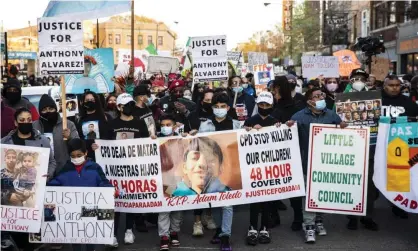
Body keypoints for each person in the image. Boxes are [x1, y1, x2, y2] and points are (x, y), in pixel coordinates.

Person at [289, 87, 346, 244]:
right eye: (316, 96)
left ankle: (319, 220)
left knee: (323, 192)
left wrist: (343, 127)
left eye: (322, 95)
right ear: (309, 101)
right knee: (309, 195)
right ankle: (308, 225)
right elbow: (290, 134)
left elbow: (344, 131)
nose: (320, 97)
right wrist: (289, 126)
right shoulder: (299, 116)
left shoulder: (331, 115)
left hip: (327, 162)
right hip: (308, 161)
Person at [189, 92, 240, 251]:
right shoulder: (205, 126)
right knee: (215, 202)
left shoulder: (237, 125)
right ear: (212, 108)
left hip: (230, 169)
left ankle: (225, 235)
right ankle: (220, 230)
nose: (219, 109)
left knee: (227, 204)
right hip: (212, 170)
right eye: (216, 107)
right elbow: (199, 145)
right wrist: (191, 136)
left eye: (223, 107)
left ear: (228, 108)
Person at [1, 107, 56, 251]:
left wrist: (47, 175)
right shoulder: (5, 142)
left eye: (29, 120)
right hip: (12, 196)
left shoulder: (42, 140)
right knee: (18, 234)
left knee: (34, 235)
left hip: (35, 195)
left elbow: (52, 162)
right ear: (15, 122)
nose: (26, 123)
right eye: (22, 120)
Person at [48, 138, 114, 251]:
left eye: (79, 155)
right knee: (75, 237)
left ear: (86, 153)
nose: (76, 158)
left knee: (90, 236)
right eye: (73, 156)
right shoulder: (66, 169)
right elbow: (55, 184)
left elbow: (103, 182)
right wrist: (44, 186)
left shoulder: (95, 167)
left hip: (91, 208)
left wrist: (110, 191)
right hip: (72, 211)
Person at [107, 93, 152, 246]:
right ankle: (112, 235)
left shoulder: (140, 123)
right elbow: (105, 144)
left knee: (131, 201)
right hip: (116, 170)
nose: (130, 108)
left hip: (134, 169)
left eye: (132, 104)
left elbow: (146, 143)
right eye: (127, 105)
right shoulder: (111, 125)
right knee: (117, 202)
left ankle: (128, 230)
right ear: (119, 107)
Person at [270, 76, 304, 231]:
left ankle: (298, 217)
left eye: (275, 89)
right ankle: (274, 216)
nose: (273, 92)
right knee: (274, 184)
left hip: (291, 152)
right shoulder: (271, 106)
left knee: (293, 185)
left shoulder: (296, 107)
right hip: (274, 153)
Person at [243, 91, 277, 245]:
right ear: (258, 105)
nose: (264, 107)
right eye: (261, 104)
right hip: (254, 166)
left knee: (268, 199)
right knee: (254, 199)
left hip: (270, 166)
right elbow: (241, 137)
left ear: (271, 105)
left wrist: (281, 127)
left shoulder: (276, 120)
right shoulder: (251, 120)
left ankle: (265, 227)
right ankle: (252, 227)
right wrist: (248, 129)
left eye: (267, 104)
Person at [33, 94, 80, 174]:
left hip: (64, 169)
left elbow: (78, 145)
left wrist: (69, 137)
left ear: (56, 109)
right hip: (42, 170)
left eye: (51, 109)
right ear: (40, 112)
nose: (48, 112)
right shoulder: (33, 126)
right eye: (44, 110)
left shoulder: (68, 124)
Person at [157, 114, 183, 251]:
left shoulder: (180, 139)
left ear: (174, 126)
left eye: (168, 125)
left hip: (178, 178)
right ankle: (164, 236)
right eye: (162, 125)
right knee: (164, 209)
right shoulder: (156, 139)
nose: (165, 127)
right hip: (162, 178)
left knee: (177, 208)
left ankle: (174, 231)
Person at [75, 91, 111, 161]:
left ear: (96, 101)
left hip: (104, 155)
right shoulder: (80, 119)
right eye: (87, 100)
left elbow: (110, 135)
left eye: (92, 100)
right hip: (87, 157)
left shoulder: (105, 117)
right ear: (83, 102)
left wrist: (101, 144)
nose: (89, 102)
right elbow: (79, 137)